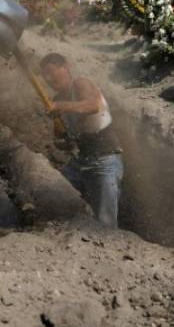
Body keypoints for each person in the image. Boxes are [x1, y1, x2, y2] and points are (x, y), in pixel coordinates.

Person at [39, 53, 123, 228]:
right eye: (45, 75)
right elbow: (62, 137)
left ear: (66, 67)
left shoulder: (80, 83)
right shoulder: (57, 100)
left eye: (52, 72)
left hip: (105, 159)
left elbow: (93, 106)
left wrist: (60, 107)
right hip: (81, 161)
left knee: (105, 224)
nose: (49, 78)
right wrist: (61, 140)